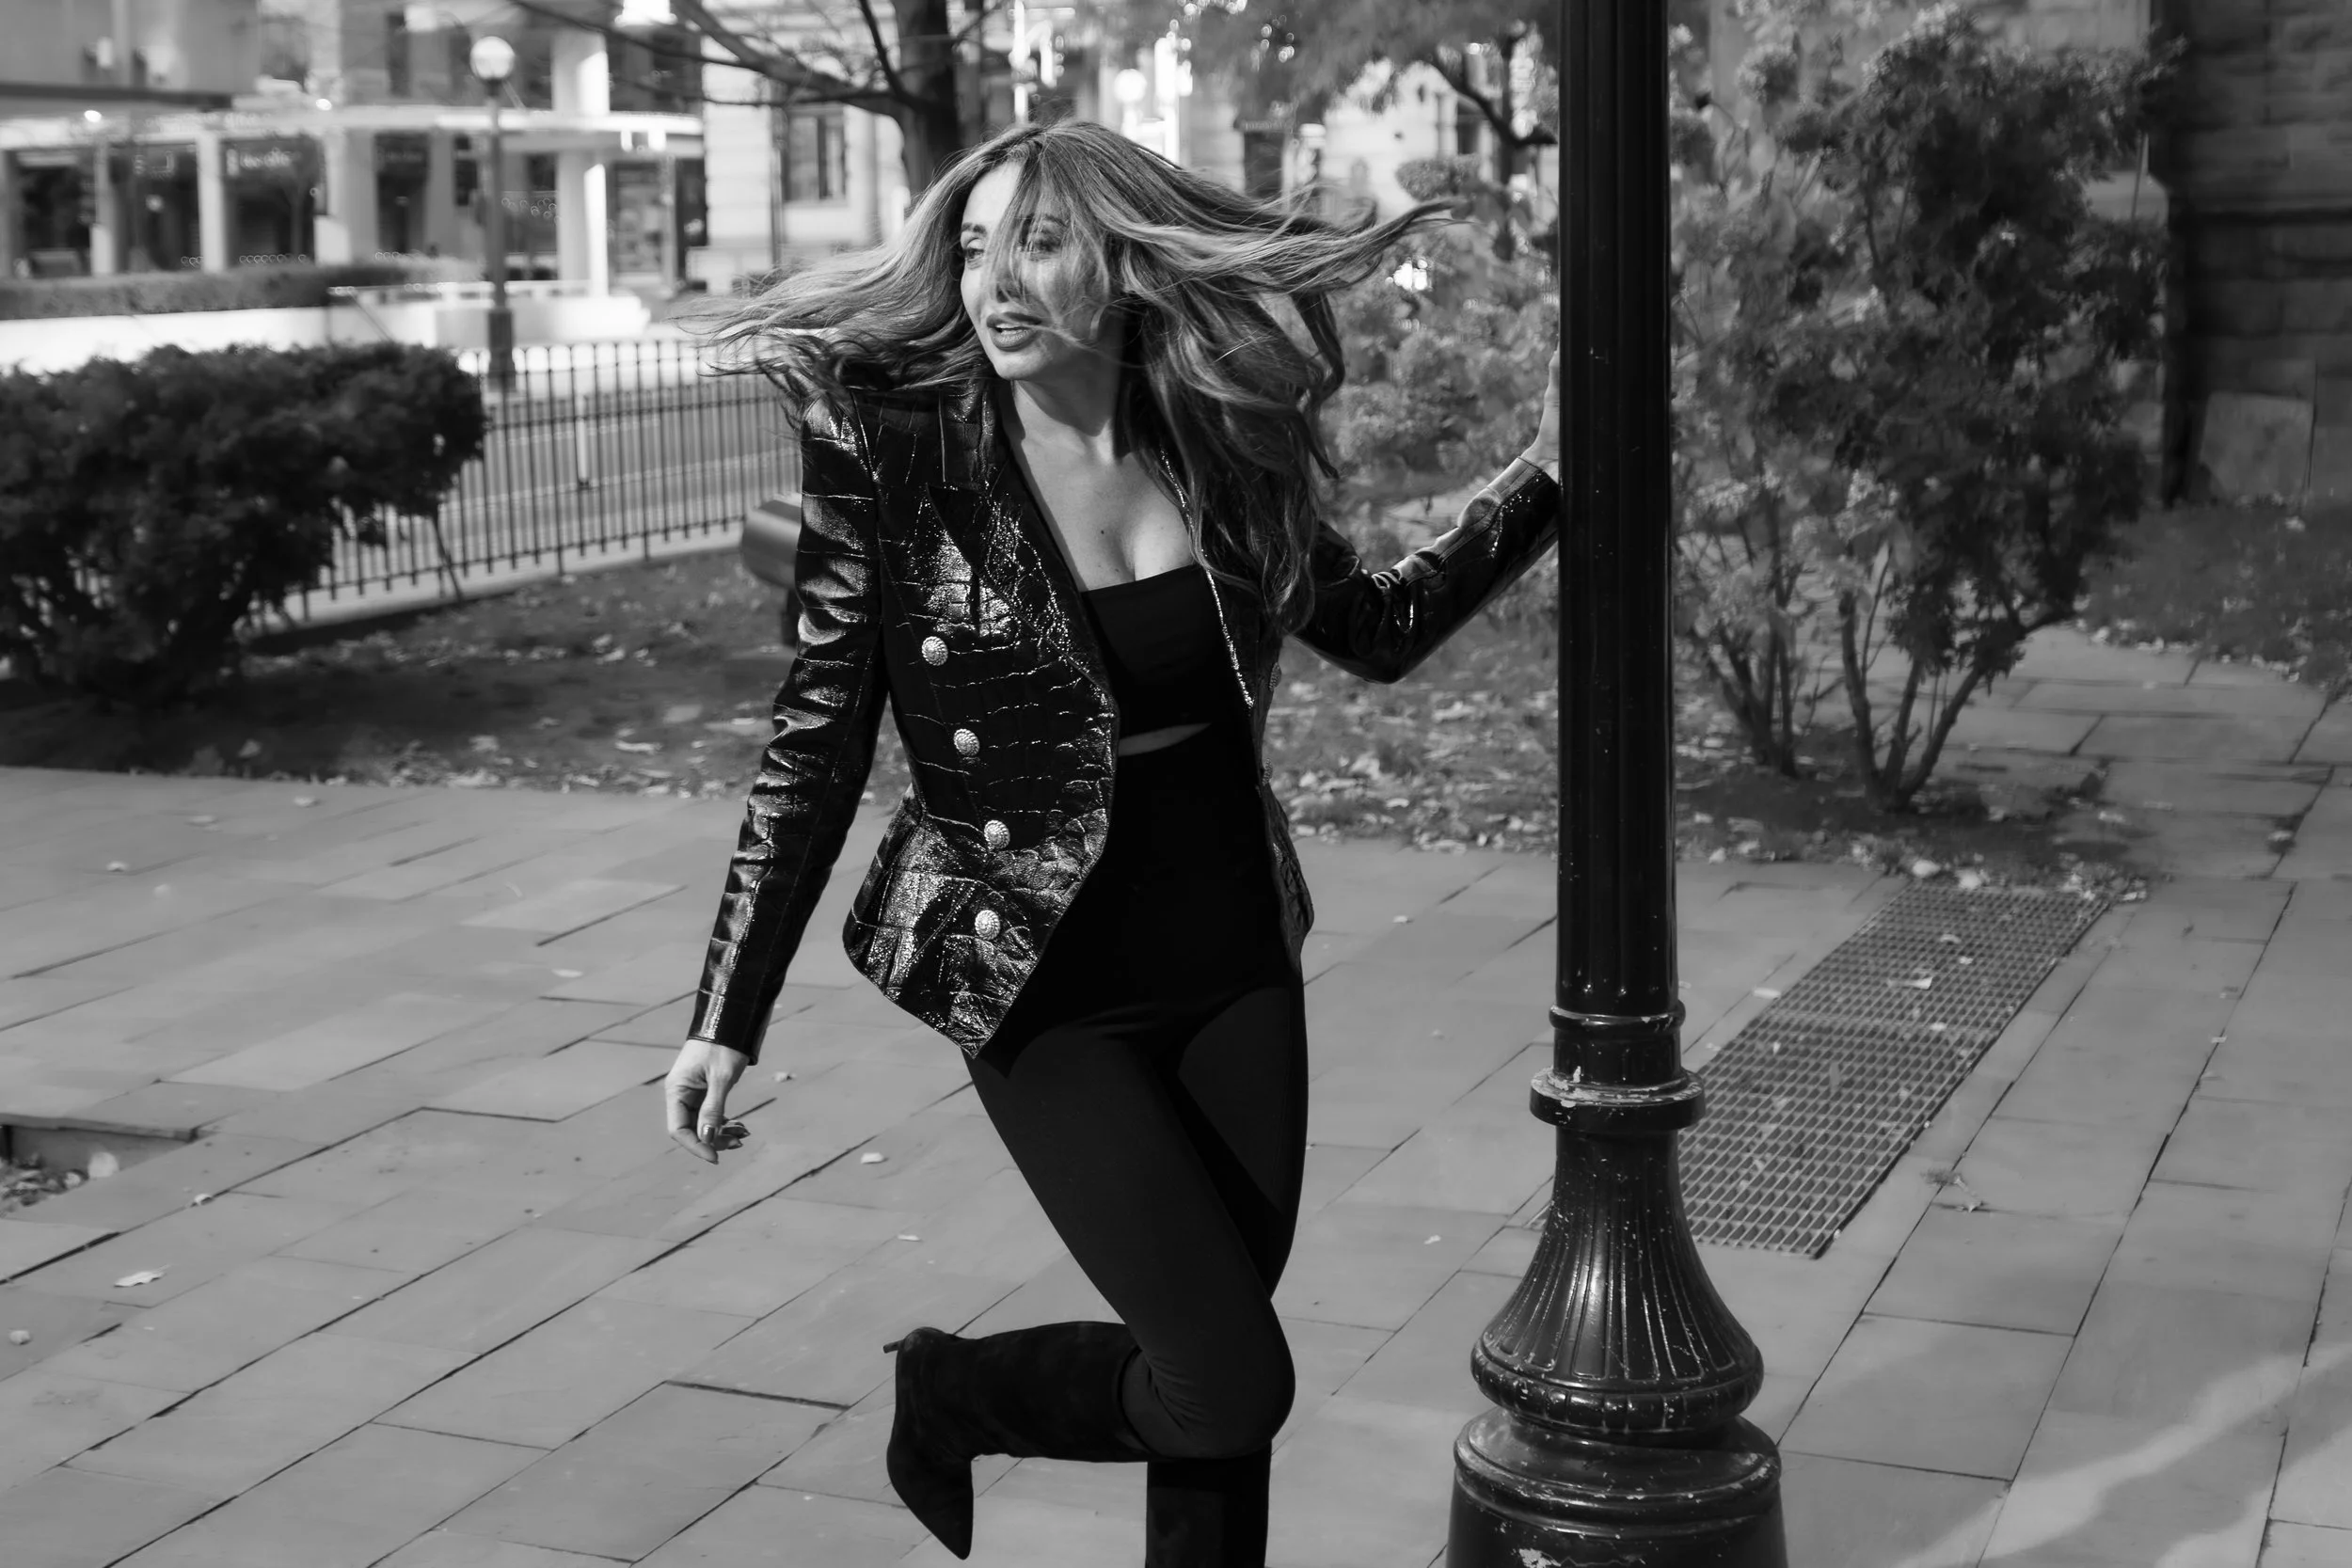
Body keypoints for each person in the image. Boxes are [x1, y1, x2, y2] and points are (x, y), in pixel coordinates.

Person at [662, 118, 1563, 1567]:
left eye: (1036, 242)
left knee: (1210, 1369)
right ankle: (951, 1393)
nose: (992, 284)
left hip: (1227, 951)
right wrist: (726, 1008)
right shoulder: (903, 452)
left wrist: (1546, 482)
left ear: (1124, 260)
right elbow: (818, 733)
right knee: (1226, 1376)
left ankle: (971, 1400)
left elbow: (1376, 625)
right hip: (1039, 976)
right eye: (971, 248)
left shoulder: (1214, 436)